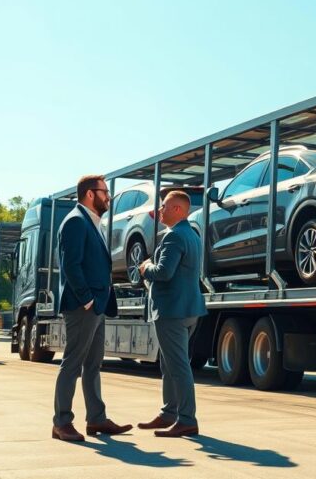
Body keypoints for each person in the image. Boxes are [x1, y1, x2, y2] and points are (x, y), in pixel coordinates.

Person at [52, 175, 132, 442]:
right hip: (82, 307)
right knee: (72, 364)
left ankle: (96, 419)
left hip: (96, 306)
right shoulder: (75, 221)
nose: (108, 197)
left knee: (93, 365)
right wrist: (87, 300)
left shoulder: (92, 222)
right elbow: (70, 265)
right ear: (89, 194)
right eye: (105, 192)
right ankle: (62, 422)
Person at [136, 189, 206, 438]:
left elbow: (164, 272)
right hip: (187, 309)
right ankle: (168, 413)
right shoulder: (191, 234)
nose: (160, 210)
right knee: (170, 364)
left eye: (164, 205)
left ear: (178, 209)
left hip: (172, 311)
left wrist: (146, 268)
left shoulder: (175, 236)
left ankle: (186, 419)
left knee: (178, 366)